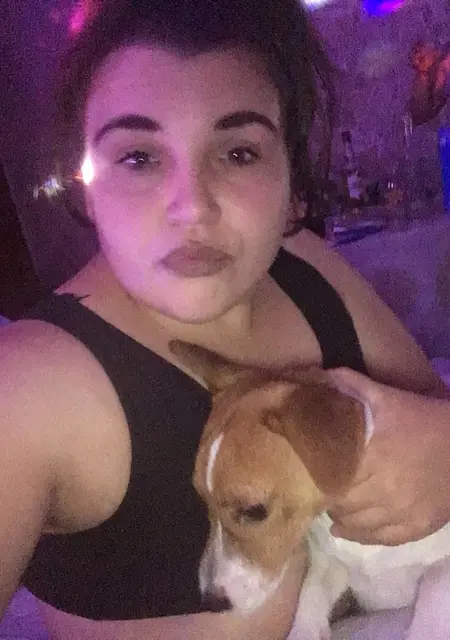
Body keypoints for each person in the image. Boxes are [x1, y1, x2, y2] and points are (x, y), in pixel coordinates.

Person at [0, 1, 449, 638]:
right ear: (85, 184)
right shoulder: (26, 388)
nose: (192, 207)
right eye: (138, 157)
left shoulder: (307, 268)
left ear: (292, 176)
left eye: (239, 152)